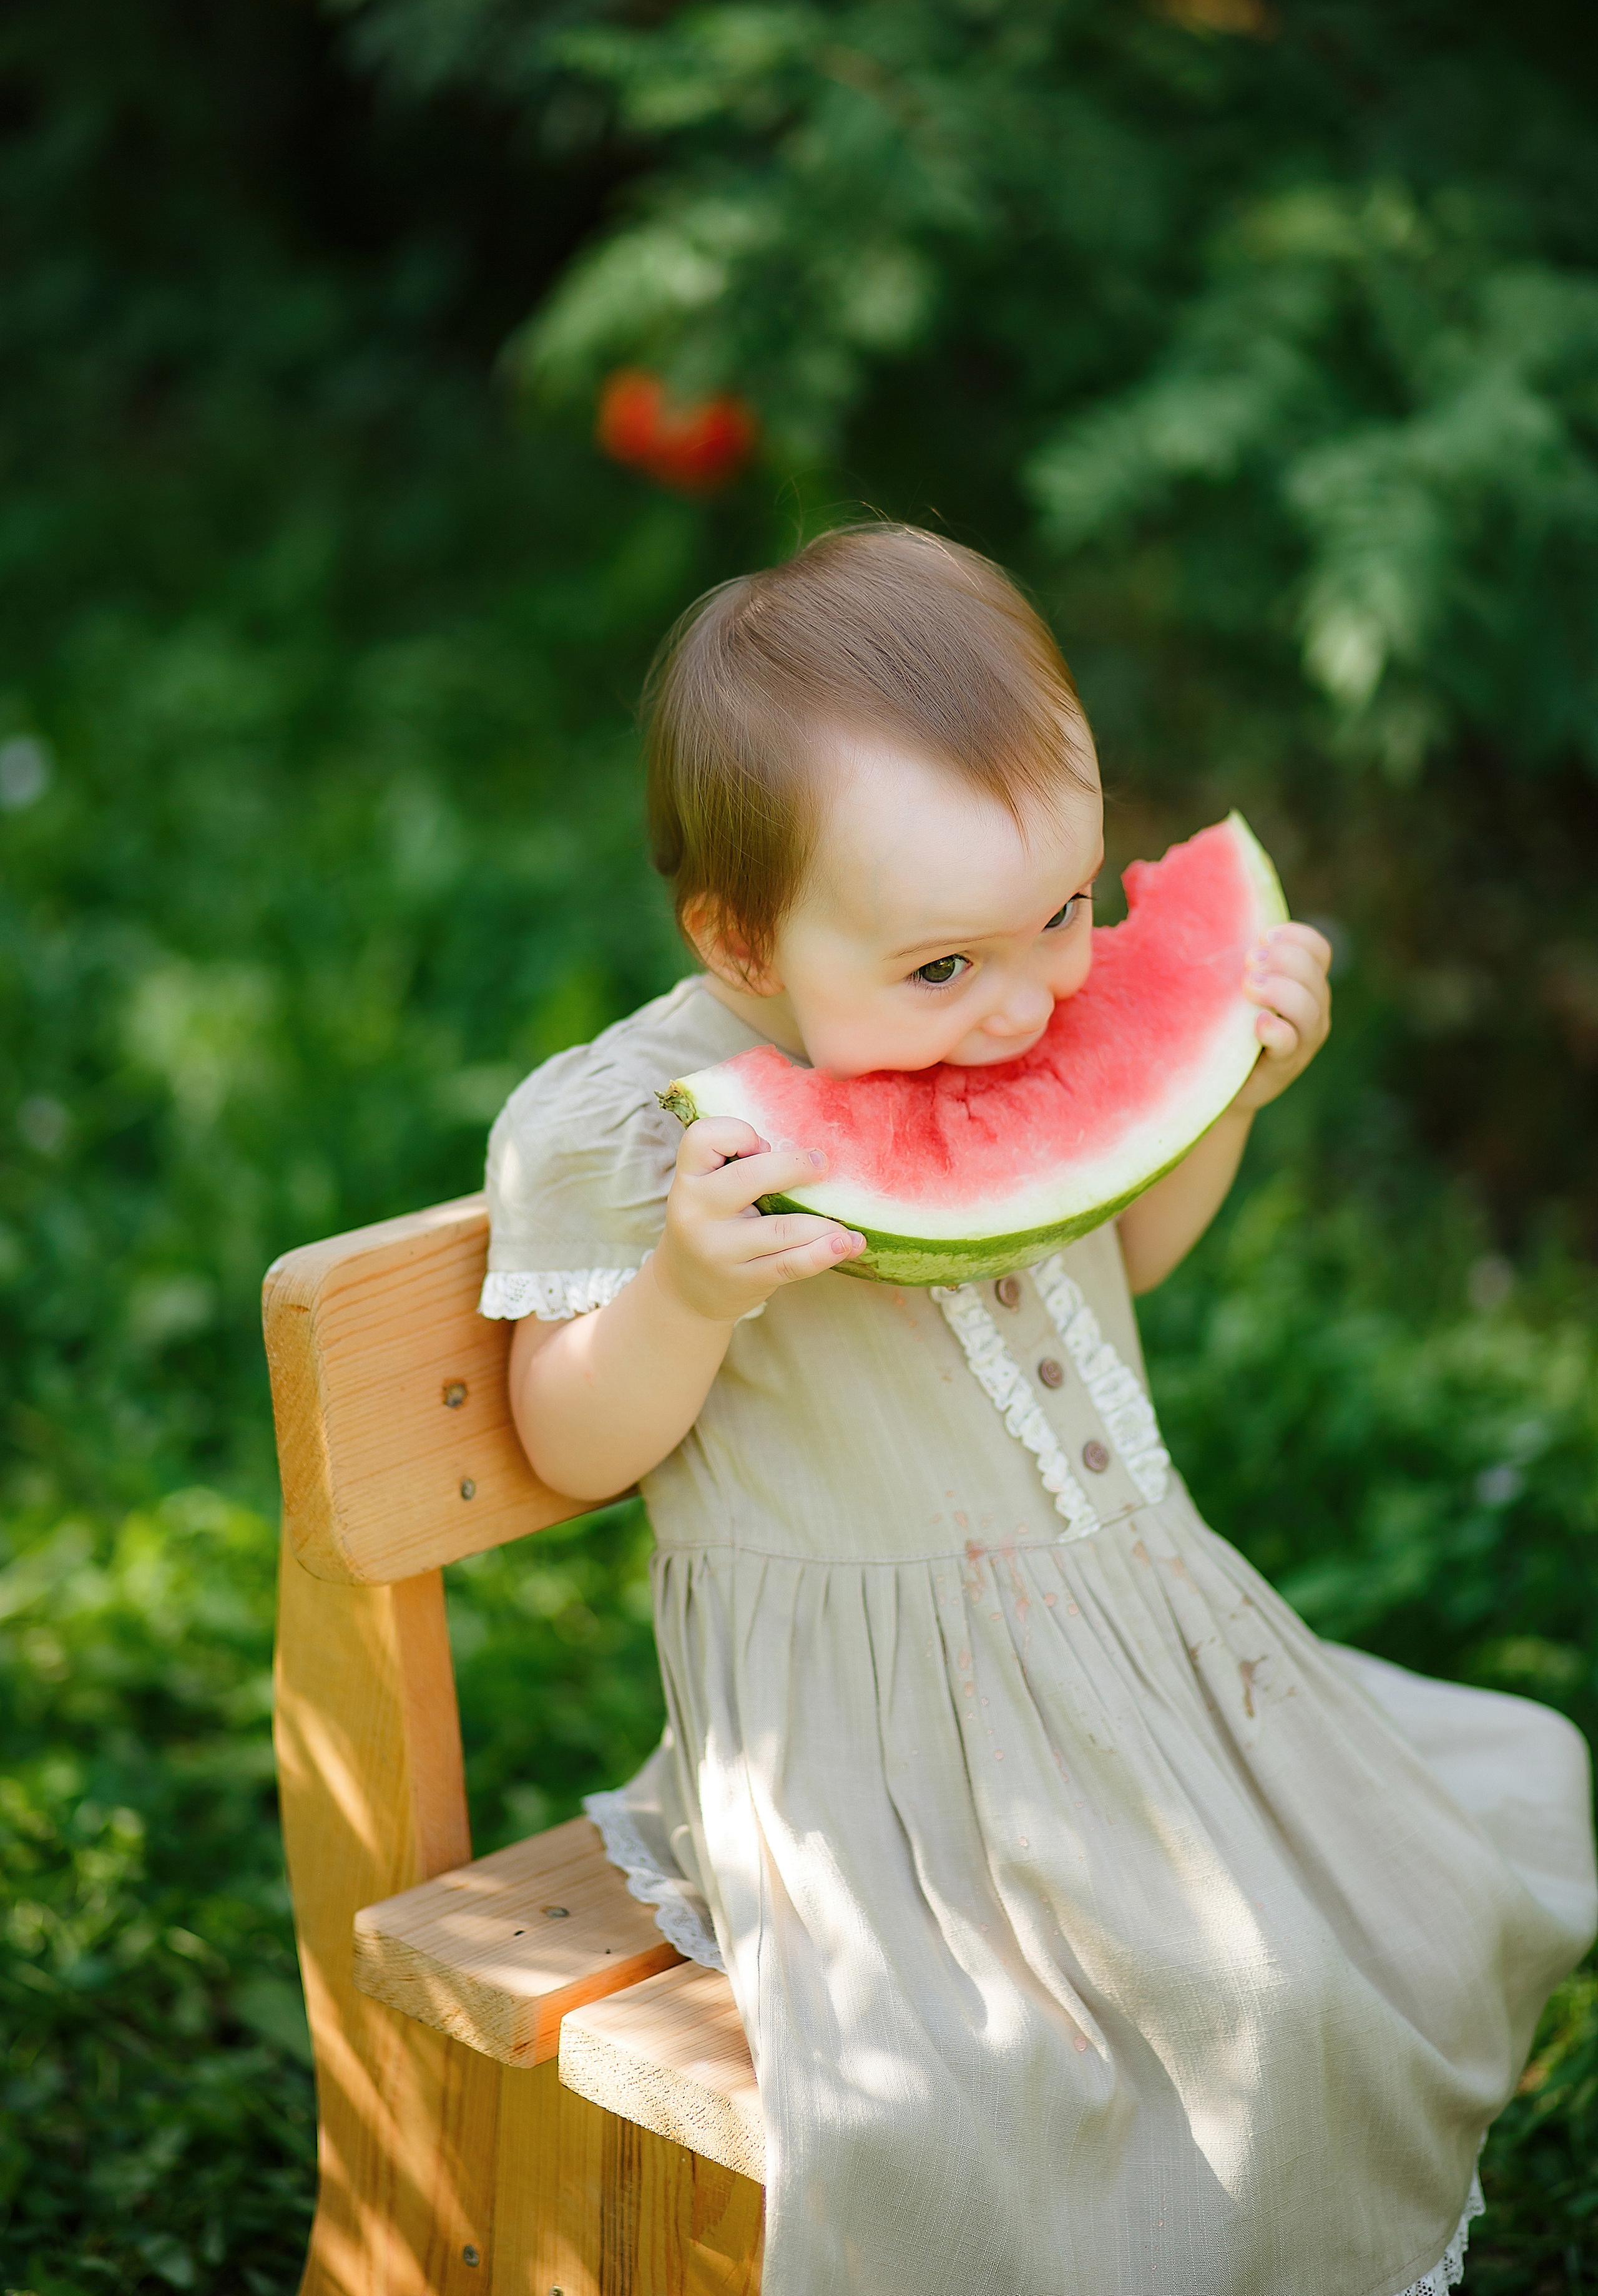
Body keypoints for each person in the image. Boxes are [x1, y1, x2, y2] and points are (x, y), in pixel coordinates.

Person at [481, 524, 1596, 2296]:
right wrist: (683, 1291)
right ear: (740, 933)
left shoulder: (1014, 1011)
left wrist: (1220, 1091)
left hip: (1147, 1639)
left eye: (1069, 913)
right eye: (943, 968)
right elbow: (568, 1441)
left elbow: (1120, 1250)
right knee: (1253, 1997)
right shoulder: (626, 1133)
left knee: (1484, 1821)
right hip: (890, 1759)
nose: (1027, 1006)